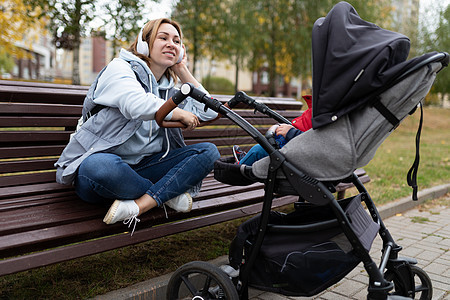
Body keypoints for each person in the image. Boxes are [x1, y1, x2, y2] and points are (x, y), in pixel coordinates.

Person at [54, 18, 220, 234]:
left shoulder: (171, 87)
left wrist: (182, 70)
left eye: (177, 41)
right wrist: (177, 111)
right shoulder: (119, 69)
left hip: (145, 168)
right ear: (144, 44)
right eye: (163, 38)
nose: (171, 44)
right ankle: (166, 194)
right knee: (100, 167)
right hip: (103, 166)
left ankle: (141, 205)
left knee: (208, 152)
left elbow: (210, 111)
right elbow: (136, 104)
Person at [233, 95, 313, 166]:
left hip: (294, 153)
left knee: (258, 150)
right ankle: (246, 159)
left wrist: (290, 132)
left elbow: (315, 140)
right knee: (263, 147)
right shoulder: (318, 110)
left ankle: (238, 167)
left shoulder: (320, 112)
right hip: (293, 146)